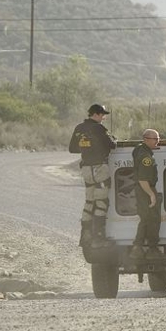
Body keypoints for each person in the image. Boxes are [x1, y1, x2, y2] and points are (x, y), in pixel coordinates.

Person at [68, 103, 117, 248]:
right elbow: (111, 145)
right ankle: (99, 237)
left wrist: (87, 146)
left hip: (86, 169)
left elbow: (72, 148)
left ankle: (85, 235)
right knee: (101, 202)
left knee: (89, 202)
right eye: (102, 115)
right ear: (95, 114)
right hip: (99, 168)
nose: (103, 118)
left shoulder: (79, 128)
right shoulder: (99, 128)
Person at [129, 129, 164, 260]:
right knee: (153, 220)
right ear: (146, 139)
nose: (158, 141)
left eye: (158, 138)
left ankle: (138, 248)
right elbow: (143, 179)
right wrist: (151, 194)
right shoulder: (146, 157)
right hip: (145, 190)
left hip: (142, 190)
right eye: (155, 139)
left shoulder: (139, 150)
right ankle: (152, 249)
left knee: (145, 219)